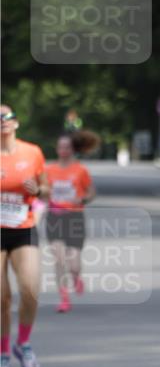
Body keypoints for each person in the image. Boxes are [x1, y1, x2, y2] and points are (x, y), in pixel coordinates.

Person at [0, 104, 50, 367]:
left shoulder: (32, 152)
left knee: (30, 290)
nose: (2, 121)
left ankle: (24, 343)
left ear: (16, 123)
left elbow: (46, 190)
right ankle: (3, 350)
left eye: (6, 117)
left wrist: (38, 189)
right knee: (1, 298)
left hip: (23, 226)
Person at [45, 131, 98, 313]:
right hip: (54, 217)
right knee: (59, 259)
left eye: (67, 147)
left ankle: (76, 277)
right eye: (60, 147)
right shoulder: (48, 170)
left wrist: (81, 200)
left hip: (74, 218)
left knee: (74, 264)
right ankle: (64, 297)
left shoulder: (80, 170)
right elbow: (42, 194)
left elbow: (91, 192)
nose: (63, 150)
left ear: (73, 149)